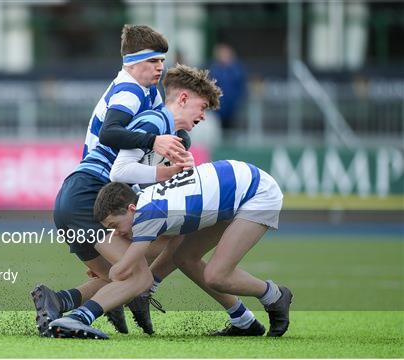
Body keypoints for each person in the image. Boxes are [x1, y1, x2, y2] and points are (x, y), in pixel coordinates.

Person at [31, 24, 191, 337]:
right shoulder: (129, 89)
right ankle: (78, 320)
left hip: (77, 196)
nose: (160, 67)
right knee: (141, 272)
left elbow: (173, 130)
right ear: (132, 62)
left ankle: (58, 302)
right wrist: (154, 142)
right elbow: (111, 132)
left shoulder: (146, 93)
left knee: (117, 275)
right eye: (153, 61)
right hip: (89, 196)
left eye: (162, 61)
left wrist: (178, 140)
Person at [49, 158, 292, 340]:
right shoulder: (146, 201)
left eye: (115, 226)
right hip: (230, 188)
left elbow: (123, 271)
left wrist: (113, 270)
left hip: (256, 193)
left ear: (131, 209)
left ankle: (275, 296)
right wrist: (140, 279)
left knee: (217, 276)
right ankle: (244, 321)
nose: (118, 233)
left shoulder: (148, 214)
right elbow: (167, 246)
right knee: (184, 256)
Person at [208, 43, 247, 131]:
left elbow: (241, 87)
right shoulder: (214, 69)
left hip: (234, 108)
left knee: (233, 130)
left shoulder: (237, 69)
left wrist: (239, 100)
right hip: (218, 108)